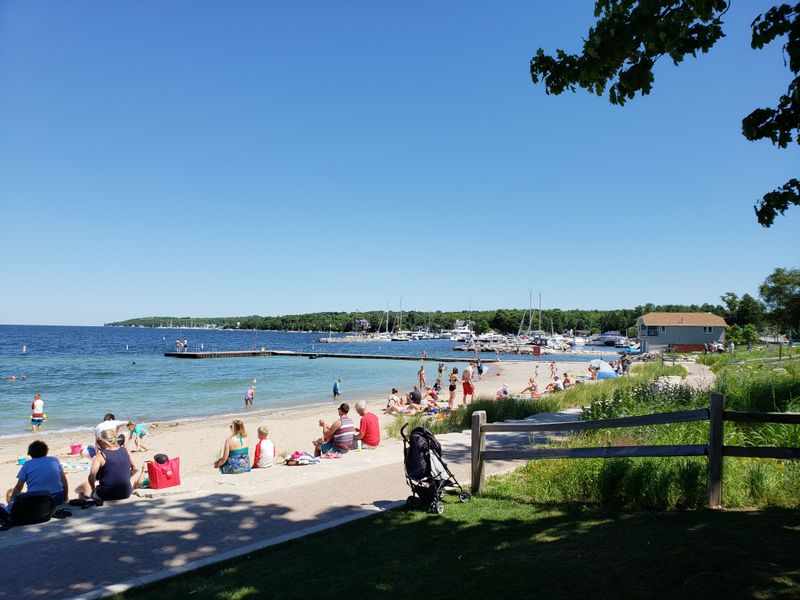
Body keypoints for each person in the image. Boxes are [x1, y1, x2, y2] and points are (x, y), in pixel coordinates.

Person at [75, 429, 137, 502]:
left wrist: (93, 489)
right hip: (126, 492)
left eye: (98, 443)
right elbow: (136, 468)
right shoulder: (125, 450)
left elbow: (91, 477)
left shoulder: (101, 455)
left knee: (84, 486)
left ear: (104, 443)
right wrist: (127, 476)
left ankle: (84, 503)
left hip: (107, 494)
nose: (98, 446)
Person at [6, 441, 69, 507]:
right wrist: (66, 498)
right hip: (57, 498)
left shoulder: (27, 464)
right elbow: (64, 481)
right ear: (46, 451)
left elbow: (19, 487)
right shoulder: (54, 460)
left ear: (30, 453)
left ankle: (10, 504)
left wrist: (11, 502)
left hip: (36, 500)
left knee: (15, 495)